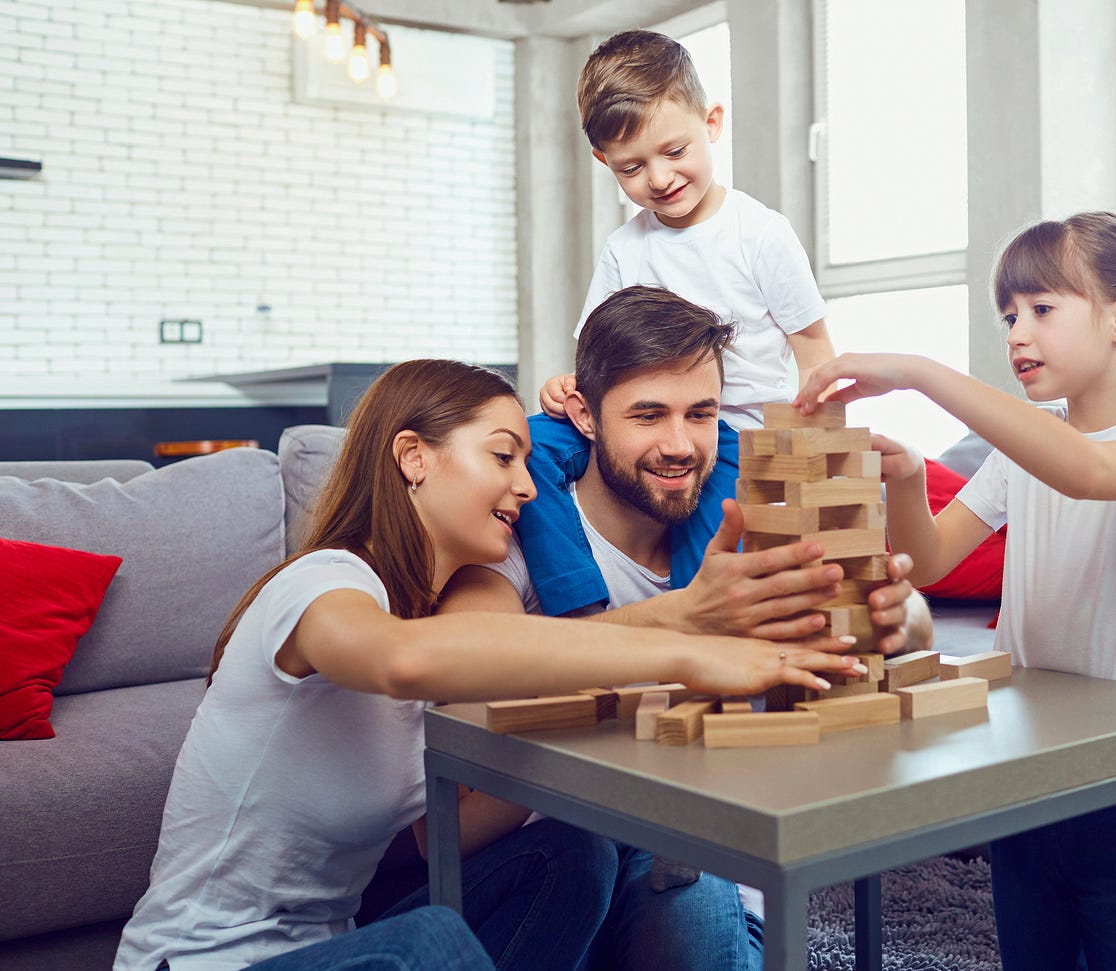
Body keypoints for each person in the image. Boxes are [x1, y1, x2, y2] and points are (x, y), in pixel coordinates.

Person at [113, 360, 865, 971]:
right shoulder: (325, 585)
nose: (527, 486)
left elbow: (505, 724)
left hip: (337, 950)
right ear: (414, 457)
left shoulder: (435, 622)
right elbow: (404, 662)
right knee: (428, 943)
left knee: (571, 855)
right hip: (202, 961)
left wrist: (685, 629)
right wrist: (687, 648)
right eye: (502, 456)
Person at [792, 211, 1116, 971]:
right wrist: (910, 480)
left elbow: (1086, 472)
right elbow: (934, 558)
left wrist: (919, 370)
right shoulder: (1023, 448)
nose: (1017, 333)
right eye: (1009, 315)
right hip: (1024, 767)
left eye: (1041, 310)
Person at [440, 287, 932, 969]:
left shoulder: (746, 526)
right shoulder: (517, 533)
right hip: (559, 854)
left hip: (690, 845)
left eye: (699, 413)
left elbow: (918, 619)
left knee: (694, 917)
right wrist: (681, 626)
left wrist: (890, 611)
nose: (679, 445)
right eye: (648, 414)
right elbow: (467, 678)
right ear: (582, 413)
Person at [520, 29, 837, 617]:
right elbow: (598, 354)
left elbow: (815, 350)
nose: (660, 179)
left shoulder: (760, 234)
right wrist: (567, 388)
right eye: (632, 168)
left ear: (712, 122)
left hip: (736, 431)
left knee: (710, 541)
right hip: (639, 420)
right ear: (604, 162)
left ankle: (699, 643)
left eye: (674, 152)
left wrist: (812, 441)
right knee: (530, 443)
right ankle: (580, 610)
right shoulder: (624, 247)